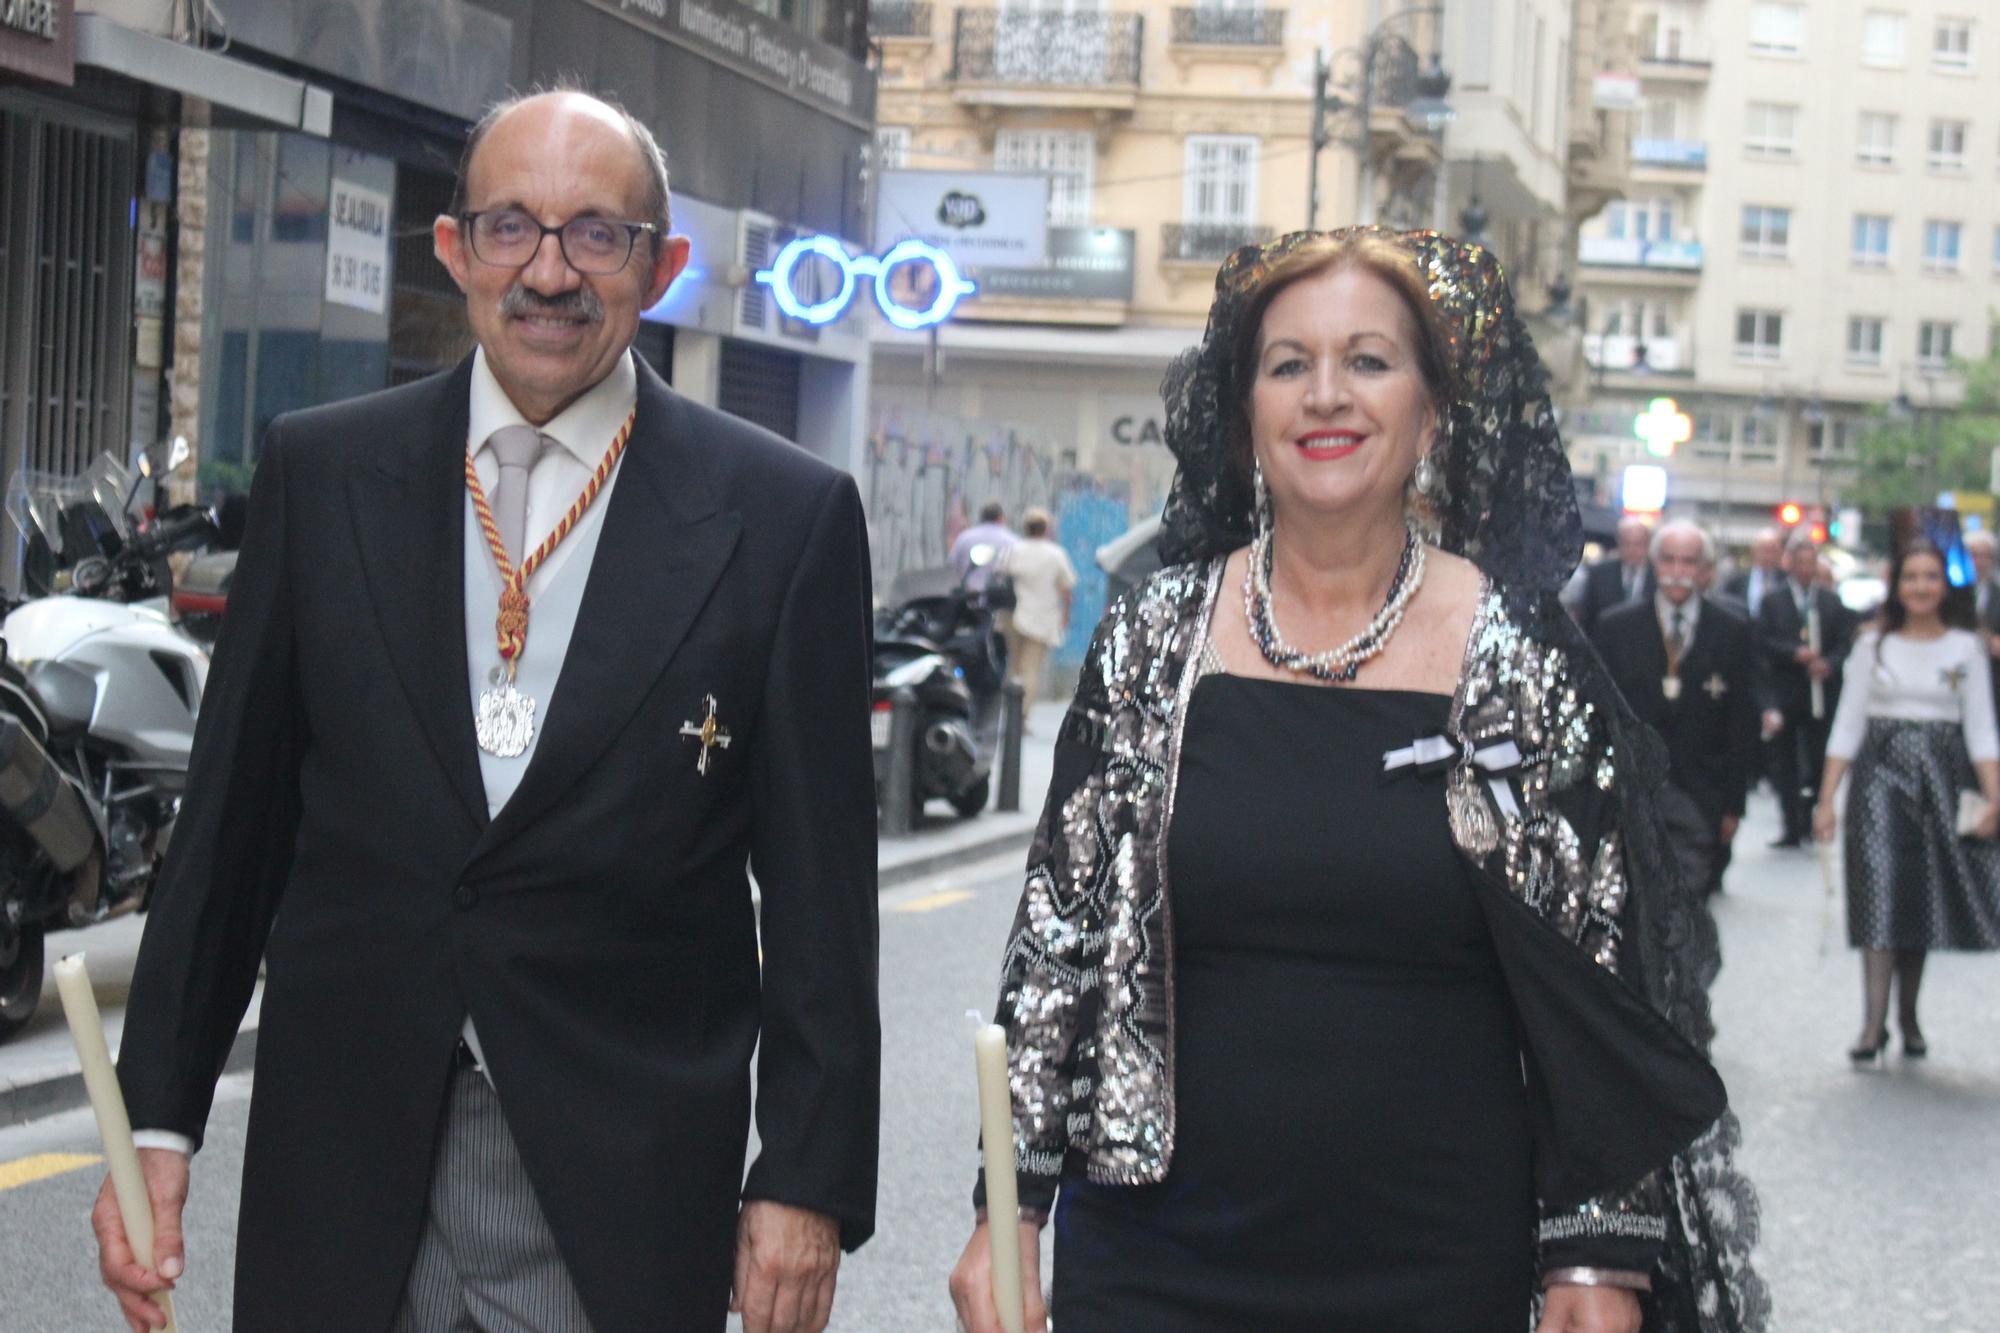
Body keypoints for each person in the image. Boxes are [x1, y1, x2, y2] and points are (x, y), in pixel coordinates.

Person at [93, 88, 880, 1333]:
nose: (549, 272)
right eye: (510, 227)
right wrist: (157, 1117)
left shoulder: (783, 519)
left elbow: (823, 896)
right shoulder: (324, 470)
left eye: (596, 234)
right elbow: (229, 833)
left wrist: (805, 1180)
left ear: (660, 266)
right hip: (347, 1154)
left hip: (618, 1175)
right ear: (454, 249)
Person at [947, 228, 1766, 1333]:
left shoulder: (1514, 652)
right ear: (1244, 412)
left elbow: (1596, 976)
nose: (1324, 394)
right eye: (1288, 364)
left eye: (1368, 360)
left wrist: (1594, 1253)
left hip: (1431, 1257)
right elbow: (1062, 935)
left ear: (1429, 413)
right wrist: (1010, 1206)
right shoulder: (1149, 634)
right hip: (1153, 1256)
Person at [1816, 541, 2000, 1063]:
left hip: (1940, 783)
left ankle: (1909, 1015)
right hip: (1879, 785)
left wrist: (1994, 795)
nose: (1921, 587)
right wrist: (1827, 799)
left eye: (1930, 577)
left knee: (1920, 898)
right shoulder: (1871, 647)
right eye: (1911, 577)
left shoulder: (1966, 648)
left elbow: (1983, 728)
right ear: (1896, 587)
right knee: (1878, 891)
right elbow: (1847, 724)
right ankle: (1871, 1025)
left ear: (1944, 586)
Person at [1595, 521, 1759, 903]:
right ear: (1654, 564)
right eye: (1668, 560)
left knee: (1688, 907)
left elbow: (1741, 724)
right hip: (1632, 793)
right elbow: (1600, 713)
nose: (1678, 572)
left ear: (1705, 570)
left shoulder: (1731, 630)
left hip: (1701, 793)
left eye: (1689, 562)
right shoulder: (1617, 627)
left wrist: (1733, 805)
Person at [1759, 533, 1857, 847]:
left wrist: (1828, 662)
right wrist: (1793, 653)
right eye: (1799, 562)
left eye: (1810, 563)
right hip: (1787, 691)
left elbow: (1845, 641)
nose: (1804, 569)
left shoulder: (1830, 601)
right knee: (1785, 762)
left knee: (1817, 759)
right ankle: (1790, 825)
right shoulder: (1773, 601)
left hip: (1821, 694)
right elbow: (1763, 642)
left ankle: (1809, 816)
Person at [996, 507, 1076, 714]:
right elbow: (1066, 589)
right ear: (1046, 529)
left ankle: (1008, 713)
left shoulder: (1014, 550)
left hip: (1012, 615)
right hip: (1042, 616)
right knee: (1031, 668)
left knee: (1013, 665)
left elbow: (999, 576)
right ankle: (1022, 716)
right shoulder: (1055, 554)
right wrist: (1066, 615)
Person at [1569, 514, 1655, 635]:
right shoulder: (1598, 573)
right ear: (1619, 542)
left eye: (1637, 544)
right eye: (1626, 543)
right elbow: (1586, 617)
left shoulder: (1658, 575)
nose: (1632, 550)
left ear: (1648, 544)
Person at [951, 500, 1017, 593]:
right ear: (1001, 518)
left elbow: (953, 562)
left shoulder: (964, 537)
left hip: (969, 595)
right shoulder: (1011, 540)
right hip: (1000, 595)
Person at [1723, 529, 1784, 619]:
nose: (1768, 556)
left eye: (1772, 551)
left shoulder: (1786, 581)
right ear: (1754, 551)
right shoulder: (1736, 581)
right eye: (1764, 550)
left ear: (1780, 553)